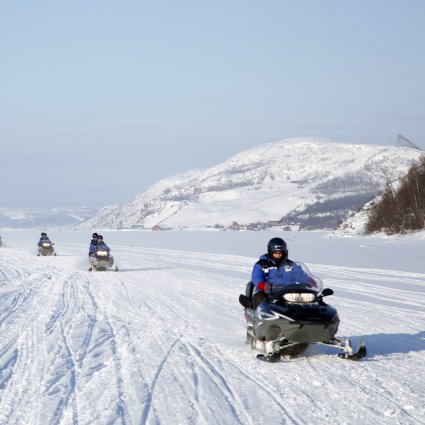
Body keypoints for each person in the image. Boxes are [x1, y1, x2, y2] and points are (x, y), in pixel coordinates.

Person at [249, 237, 315, 309]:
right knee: (260, 298)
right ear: (270, 252)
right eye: (275, 253)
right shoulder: (262, 264)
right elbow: (256, 277)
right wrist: (261, 284)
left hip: (289, 291)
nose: (278, 255)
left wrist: (308, 280)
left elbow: (299, 274)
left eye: (280, 253)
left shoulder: (290, 264)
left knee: (309, 299)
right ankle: (259, 314)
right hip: (269, 291)